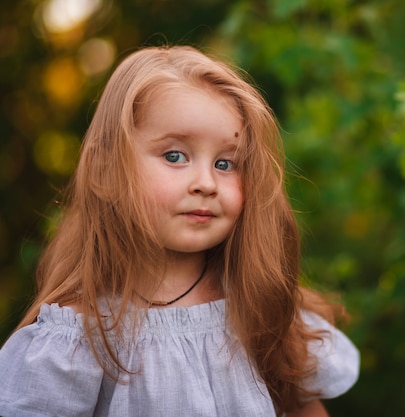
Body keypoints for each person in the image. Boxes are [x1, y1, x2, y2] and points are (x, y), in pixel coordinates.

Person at [0, 45, 359, 417]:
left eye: (225, 163)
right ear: (105, 172)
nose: (206, 183)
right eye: (175, 156)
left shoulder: (258, 303)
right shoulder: (82, 336)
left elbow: (304, 408)